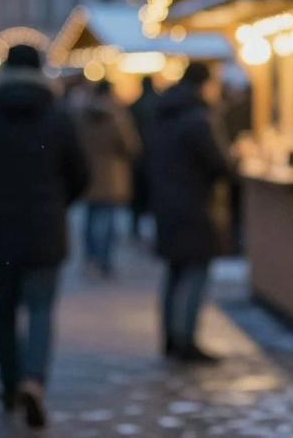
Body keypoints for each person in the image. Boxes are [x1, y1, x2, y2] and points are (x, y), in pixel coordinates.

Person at [0, 45, 88, 429]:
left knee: (6, 310)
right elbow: (80, 172)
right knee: (42, 308)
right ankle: (34, 378)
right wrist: (59, 201)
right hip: (46, 227)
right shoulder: (58, 117)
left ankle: (9, 386)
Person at [146, 62, 232, 362]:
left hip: (167, 203)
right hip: (196, 206)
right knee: (196, 271)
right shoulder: (198, 118)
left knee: (173, 272)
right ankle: (187, 340)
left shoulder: (163, 113)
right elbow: (219, 164)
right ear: (204, 84)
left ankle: (170, 337)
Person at [78, 80, 140, 277]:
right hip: (112, 175)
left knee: (90, 219)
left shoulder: (80, 115)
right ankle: (104, 260)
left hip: (88, 173)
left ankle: (90, 257)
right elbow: (130, 145)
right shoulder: (117, 116)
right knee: (107, 220)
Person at [128, 76, 161, 239]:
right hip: (155, 155)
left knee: (138, 196)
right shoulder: (159, 104)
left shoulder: (134, 106)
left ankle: (135, 227)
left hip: (138, 156)